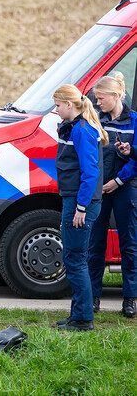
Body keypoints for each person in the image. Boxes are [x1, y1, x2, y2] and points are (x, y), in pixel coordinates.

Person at [53, 84, 107, 331]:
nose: (56, 109)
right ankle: (77, 315)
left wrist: (81, 207)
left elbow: (90, 171)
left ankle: (83, 319)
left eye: (57, 105)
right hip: (75, 200)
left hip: (79, 203)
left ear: (69, 104)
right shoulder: (75, 127)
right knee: (74, 258)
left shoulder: (82, 131)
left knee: (75, 260)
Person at [88, 73, 137, 318]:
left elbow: (136, 160)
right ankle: (93, 297)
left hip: (125, 188)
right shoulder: (96, 120)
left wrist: (118, 181)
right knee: (95, 244)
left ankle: (129, 299)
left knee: (130, 245)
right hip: (100, 189)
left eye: (101, 98)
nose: (98, 103)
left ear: (116, 96)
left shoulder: (134, 121)